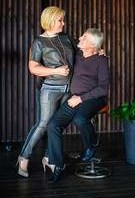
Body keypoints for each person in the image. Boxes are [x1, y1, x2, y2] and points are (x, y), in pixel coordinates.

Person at [16, 6, 78, 177]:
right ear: (50, 21)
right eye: (60, 20)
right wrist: (56, 71)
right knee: (43, 124)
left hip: (69, 89)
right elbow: (33, 67)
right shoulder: (39, 42)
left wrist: (97, 51)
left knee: (56, 125)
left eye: (63, 20)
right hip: (49, 90)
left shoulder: (66, 38)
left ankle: (49, 158)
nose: (63, 24)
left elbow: (82, 51)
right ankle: (24, 157)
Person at [46, 28, 110, 185]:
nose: (80, 38)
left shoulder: (101, 60)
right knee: (53, 125)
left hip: (93, 99)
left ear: (93, 44)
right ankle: (60, 167)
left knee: (80, 120)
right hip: (74, 98)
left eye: (85, 37)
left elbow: (103, 88)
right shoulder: (78, 53)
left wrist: (81, 99)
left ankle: (93, 143)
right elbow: (64, 39)